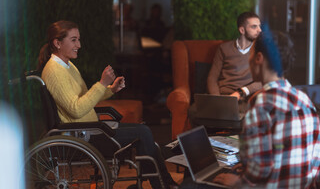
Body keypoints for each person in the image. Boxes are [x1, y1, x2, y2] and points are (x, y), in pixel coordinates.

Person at [37, 20, 178, 189]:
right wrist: (102, 83)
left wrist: (111, 89)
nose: (79, 45)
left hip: (90, 129)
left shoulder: (67, 65)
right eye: (74, 40)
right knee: (143, 133)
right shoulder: (54, 71)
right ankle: (162, 184)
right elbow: (76, 109)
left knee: (144, 133)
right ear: (57, 43)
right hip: (83, 135)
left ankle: (160, 181)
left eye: (79, 39)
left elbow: (85, 97)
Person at [180, 28, 320, 189]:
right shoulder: (306, 101)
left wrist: (240, 182)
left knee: (190, 184)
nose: (249, 60)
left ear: (259, 58)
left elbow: (258, 171)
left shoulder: (261, 104)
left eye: (251, 55)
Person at [207, 12, 262, 103]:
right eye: (254, 26)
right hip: (223, 97)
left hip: (245, 99)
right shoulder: (223, 48)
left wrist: (241, 92)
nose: (259, 30)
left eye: (259, 26)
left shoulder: (259, 51)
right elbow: (212, 78)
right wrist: (217, 100)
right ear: (242, 30)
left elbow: (264, 81)